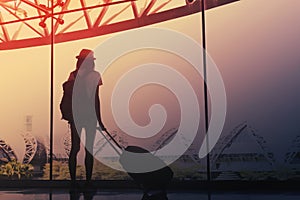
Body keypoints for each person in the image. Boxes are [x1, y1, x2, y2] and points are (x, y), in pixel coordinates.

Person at [67, 49, 106, 187]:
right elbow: (96, 99)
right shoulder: (95, 75)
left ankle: (73, 181)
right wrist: (100, 120)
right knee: (89, 149)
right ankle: (88, 181)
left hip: (76, 116)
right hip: (90, 116)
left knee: (74, 148)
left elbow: (69, 97)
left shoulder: (73, 75)